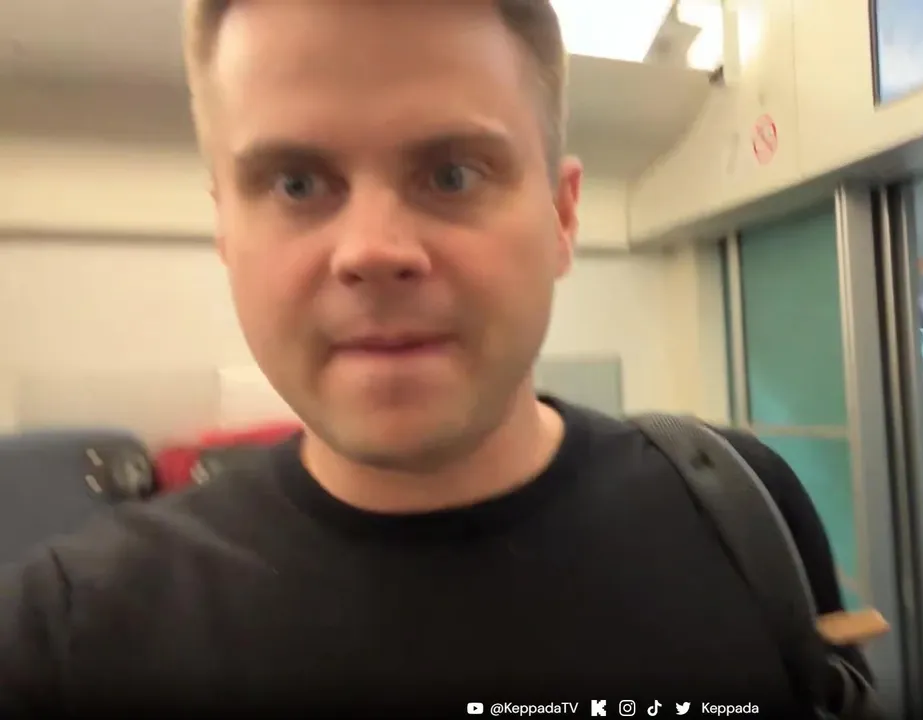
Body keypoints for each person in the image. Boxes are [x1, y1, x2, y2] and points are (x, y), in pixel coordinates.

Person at [0, 1, 871, 716]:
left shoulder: (745, 512)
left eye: (452, 174)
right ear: (226, 230)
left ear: (563, 217)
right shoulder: (67, 638)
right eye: (297, 184)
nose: (373, 252)